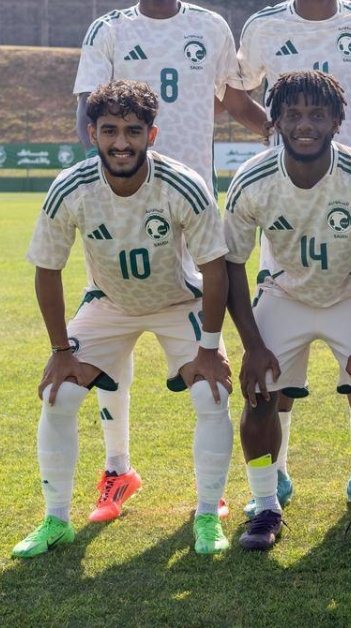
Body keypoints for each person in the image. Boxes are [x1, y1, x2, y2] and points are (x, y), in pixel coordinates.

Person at [71, 0, 266, 524]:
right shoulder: (108, 29)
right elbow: (86, 116)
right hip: (124, 203)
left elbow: (234, 100)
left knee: (205, 340)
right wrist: (103, 186)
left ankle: (218, 483)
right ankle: (117, 468)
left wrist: (282, 133)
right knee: (115, 321)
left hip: (193, 205)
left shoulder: (210, 27)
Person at [14, 80, 234, 558]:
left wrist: (210, 347)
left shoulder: (182, 184)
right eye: (110, 130)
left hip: (178, 302)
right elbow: (47, 270)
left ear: (151, 135)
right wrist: (60, 351)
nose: (121, 142)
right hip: (109, 302)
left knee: (211, 391)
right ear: (92, 132)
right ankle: (56, 519)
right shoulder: (71, 187)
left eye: (133, 131)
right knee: (58, 394)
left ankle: (206, 512)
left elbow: (215, 269)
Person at [227, 0, 351, 517]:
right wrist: (284, 133)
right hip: (287, 195)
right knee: (277, 370)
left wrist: (332, 133)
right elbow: (235, 91)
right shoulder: (264, 25)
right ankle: (275, 480)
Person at [222, 71, 351, 551]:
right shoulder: (253, 179)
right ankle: (266, 507)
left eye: (317, 114)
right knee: (259, 395)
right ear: (276, 121)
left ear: (336, 121)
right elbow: (233, 266)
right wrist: (252, 346)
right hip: (285, 295)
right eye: (294, 114)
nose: (305, 124)